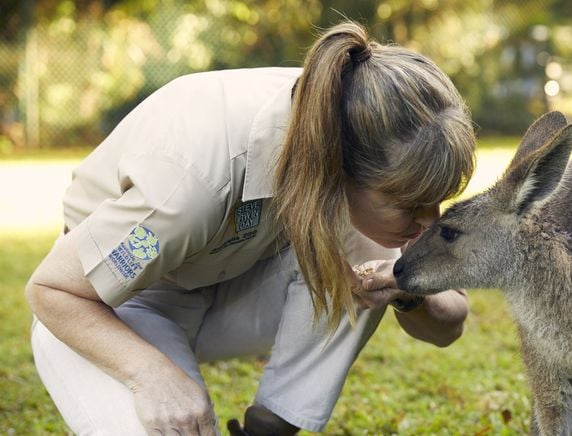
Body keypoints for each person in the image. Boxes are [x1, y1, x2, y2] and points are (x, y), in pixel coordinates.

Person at [25, 21, 476, 435]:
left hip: (233, 274)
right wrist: (152, 374)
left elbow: (448, 323)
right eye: (410, 203)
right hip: (120, 303)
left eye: (436, 201)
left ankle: (269, 428)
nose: (429, 222)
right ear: (339, 166)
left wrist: (408, 292)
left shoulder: (344, 117)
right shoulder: (189, 180)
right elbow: (52, 290)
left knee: (372, 247)